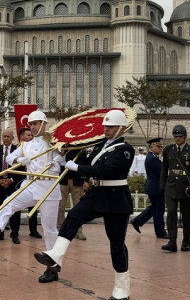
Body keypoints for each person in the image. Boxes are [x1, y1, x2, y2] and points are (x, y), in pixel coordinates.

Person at [34, 109, 135, 299]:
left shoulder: (126, 150)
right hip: (97, 193)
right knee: (73, 216)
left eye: (110, 127)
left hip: (116, 198)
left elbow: (106, 170)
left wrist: (78, 167)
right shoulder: (100, 145)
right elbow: (88, 161)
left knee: (117, 245)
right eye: (105, 126)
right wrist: (66, 159)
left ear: (121, 128)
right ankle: (56, 255)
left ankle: (122, 290)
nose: (105, 129)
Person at [0, 110, 64, 284]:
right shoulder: (26, 144)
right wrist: (19, 161)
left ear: (44, 124)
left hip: (49, 187)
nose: (32, 127)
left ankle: (52, 268)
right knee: (8, 203)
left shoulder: (54, 141)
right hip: (31, 184)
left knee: (49, 229)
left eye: (36, 123)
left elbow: (64, 157)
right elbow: (9, 158)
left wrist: (58, 159)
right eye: (31, 124)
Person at [159, 124, 190, 253]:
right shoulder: (168, 150)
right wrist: (162, 186)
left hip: (185, 188)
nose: (178, 139)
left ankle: (186, 241)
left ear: (185, 137)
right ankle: (172, 241)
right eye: (176, 136)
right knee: (171, 213)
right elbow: (164, 169)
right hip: (171, 186)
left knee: (187, 216)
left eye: (180, 136)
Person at [130, 138, 168, 238]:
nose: (160, 149)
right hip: (156, 187)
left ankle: (137, 221)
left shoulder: (154, 157)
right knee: (158, 210)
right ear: (151, 147)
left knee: (155, 208)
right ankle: (160, 232)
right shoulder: (152, 158)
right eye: (158, 147)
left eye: (161, 147)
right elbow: (162, 172)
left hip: (155, 187)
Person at [0, 129, 21, 243]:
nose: (6, 138)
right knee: (0, 208)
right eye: (4, 136)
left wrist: (11, 180)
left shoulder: (17, 150)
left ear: (12, 138)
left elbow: (21, 167)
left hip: (13, 184)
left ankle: (14, 234)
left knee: (15, 209)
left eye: (8, 136)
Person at [58, 149, 87, 241]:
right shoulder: (62, 146)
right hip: (63, 179)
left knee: (78, 207)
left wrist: (86, 180)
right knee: (60, 206)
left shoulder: (81, 148)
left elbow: (85, 164)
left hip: (77, 180)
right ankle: (60, 229)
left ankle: (78, 231)